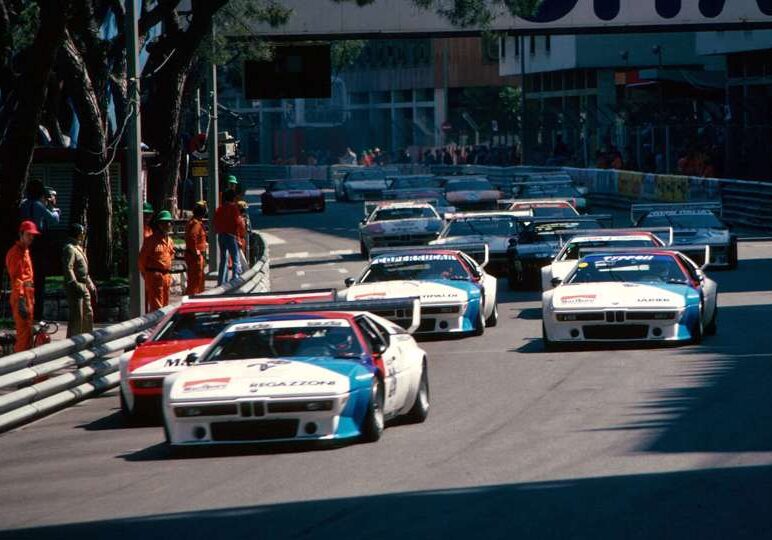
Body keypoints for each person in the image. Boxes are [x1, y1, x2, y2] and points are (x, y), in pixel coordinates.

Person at [19, 181, 60, 320]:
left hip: (24, 240)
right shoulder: (38, 205)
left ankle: (26, 310)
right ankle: (37, 313)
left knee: (26, 276)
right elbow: (53, 220)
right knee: (39, 279)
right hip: (38, 242)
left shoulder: (23, 204)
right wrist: (54, 207)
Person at [5, 221, 40, 352]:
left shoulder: (25, 250)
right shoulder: (16, 253)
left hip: (27, 294)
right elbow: (17, 279)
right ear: (21, 234)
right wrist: (21, 300)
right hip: (22, 295)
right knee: (24, 335)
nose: (32, 237)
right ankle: (19, 368)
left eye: (33, 235)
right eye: (29, 234)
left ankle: (26, 366)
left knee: (28, 333)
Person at [61, 223, 96, 337]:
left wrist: (90, 284)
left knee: (88, 313)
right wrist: (73, 283)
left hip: (83, 284)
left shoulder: (78, 247)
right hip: (76, 287)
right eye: (81, 232)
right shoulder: (69, 248)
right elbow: (68, 267)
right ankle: (73, 342)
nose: (83, 234)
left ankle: (87, 339)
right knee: (77, 316)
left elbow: (84, 271)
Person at [138, 210, 175, 312]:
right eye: (165, 222)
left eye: (169, 222)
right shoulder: (150, 241)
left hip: (166, 277)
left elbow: (171, 256)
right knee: (156, 307)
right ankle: (156, 327)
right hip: (154, 276)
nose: (168, 224)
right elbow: (142, 260)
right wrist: (147, 274)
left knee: (166, 306)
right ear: (159, 224)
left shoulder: (170, 241)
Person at [213, 190, 242, 285]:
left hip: (221, 235)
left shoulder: (220, 208)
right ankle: (235, 280)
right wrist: (238, 238)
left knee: (223, 259)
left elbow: (215, 221)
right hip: (231, 236)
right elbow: (237, 222)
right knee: (235, 258)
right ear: (233, 198)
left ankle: (221, 282)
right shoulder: (234, 208)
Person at [184, 202, 208, 296]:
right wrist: (196, 252)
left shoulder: (194, 222)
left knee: (198, 279)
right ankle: (192, 300)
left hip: (195, 256)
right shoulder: (196, 224)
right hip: (195, 257)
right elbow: (192, 237)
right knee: (195, 281)